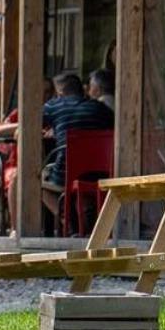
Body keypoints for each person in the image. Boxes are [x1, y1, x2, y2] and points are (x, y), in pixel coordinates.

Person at [40, 72, 113, 220]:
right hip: (101, 172)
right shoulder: (100, 108)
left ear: (59, 92)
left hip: (66, 173)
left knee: (34, 182)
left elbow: (30, 126)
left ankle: (67, 220)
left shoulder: (54, 106)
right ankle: (84, 219)